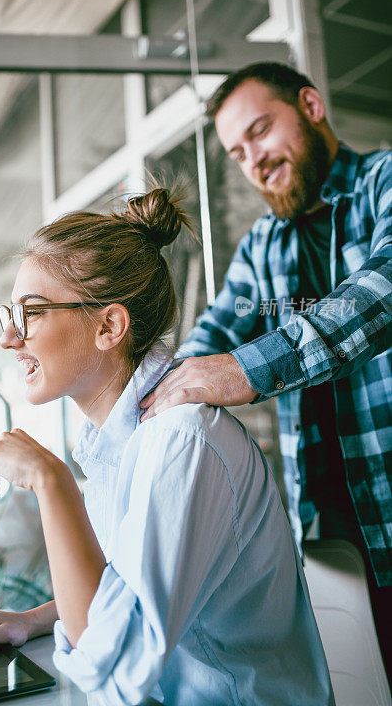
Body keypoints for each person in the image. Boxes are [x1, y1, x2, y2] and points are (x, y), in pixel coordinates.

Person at [0, 189, 334, 706]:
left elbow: (118, 667)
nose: (9, 340)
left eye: (31, 313)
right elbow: (127, 586)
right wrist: (32, 620)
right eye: (10, 315)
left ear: (109, 326)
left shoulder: (180, 441)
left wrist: (49, 479)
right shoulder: (121, 441)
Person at [140, 62, 392, 677]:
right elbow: (216, 333)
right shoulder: (262, 246)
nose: (251, 158)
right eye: (236, 151)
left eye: (260, 130)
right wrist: (142, 393)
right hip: (327, 529)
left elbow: (384, 287)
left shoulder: (385, 179)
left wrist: (242, 371)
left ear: (310, 104)